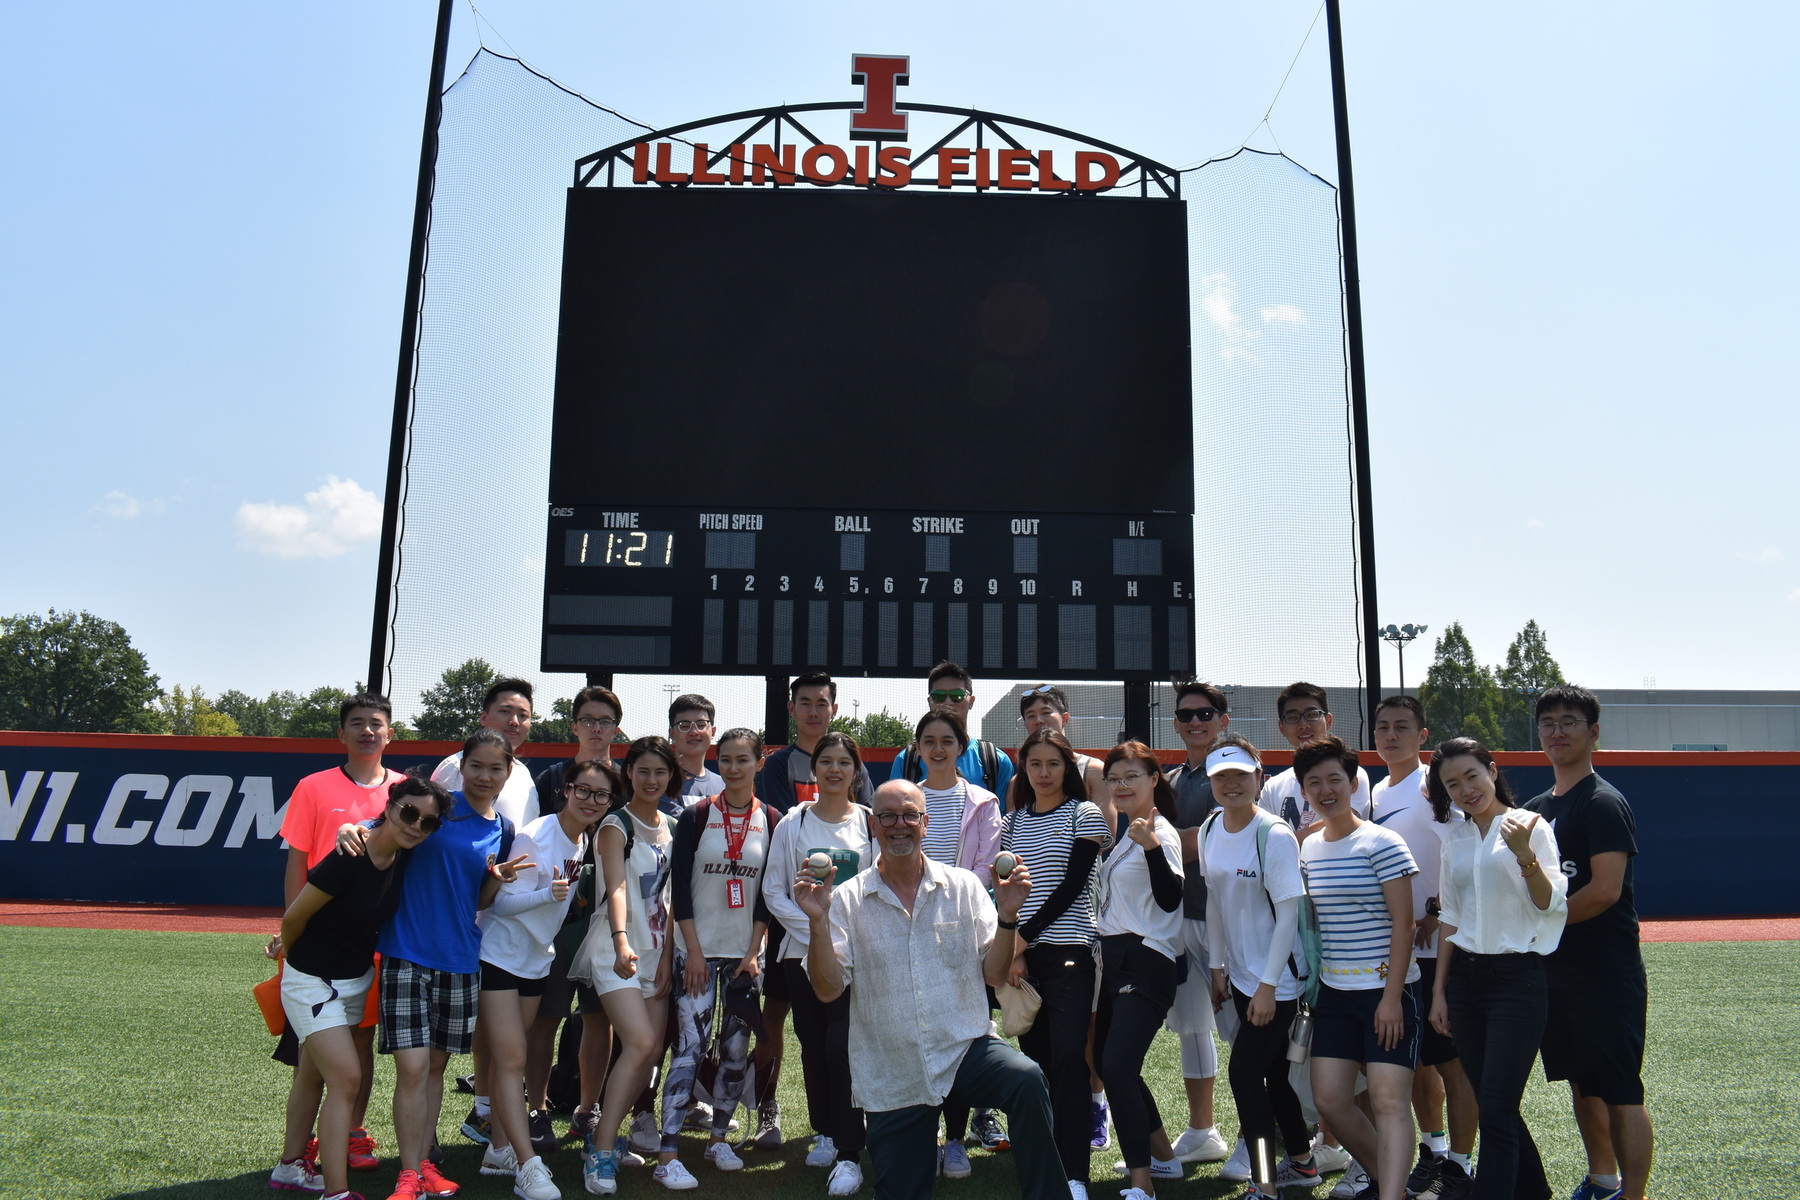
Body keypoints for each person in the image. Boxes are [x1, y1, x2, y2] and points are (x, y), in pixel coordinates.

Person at [793, 779, 1064, 1200]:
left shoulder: (964, 887)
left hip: (964, 1049)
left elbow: (994, 975)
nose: (899, 824)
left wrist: (1009, 916)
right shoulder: (845, 899)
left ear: (926, 822)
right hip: (891, 1070)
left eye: (909, 815)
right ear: (873, 824)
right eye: (888, 815)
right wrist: (816, 921)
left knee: (1026, 1078)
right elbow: (828, 991)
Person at [347, 728, 532, 1200]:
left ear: (508, 773)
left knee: (432, 1069)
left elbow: (480, 899)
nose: (485, 776)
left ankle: (422, 1164)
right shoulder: (436, 807)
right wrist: (352, 828)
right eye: (477, 766)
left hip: (461, 961)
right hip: (406, 951)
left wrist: (497, 880)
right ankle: (408, 1175)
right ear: (461, 765)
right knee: (411, 1069)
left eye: (496, 768)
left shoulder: (503, 830)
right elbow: (378, 829)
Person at [276, 775, 449, 1200]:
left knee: (313, 1075)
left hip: (356, 982)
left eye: (426, 822)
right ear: (389, 807)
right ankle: (336, 1191)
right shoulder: (347, 855)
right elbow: (294, 919)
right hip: (313, 981)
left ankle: (289, 1167)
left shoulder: (407, 855)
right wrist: (295, 968)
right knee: (347, 1079)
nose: (415, 825)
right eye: (409, 813)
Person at [268, 692, 407, 1192]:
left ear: (391, 733)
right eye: (357, 723)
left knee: (345, 1053)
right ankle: (326, 1162)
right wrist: (290, 930)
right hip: (317, 949)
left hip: (372, 947)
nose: (368, 731)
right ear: (341, 734)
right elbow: (297, 863)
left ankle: (339, 1138)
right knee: (328, 1060)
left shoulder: (404, 791)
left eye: (376, 723)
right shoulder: (313, 786)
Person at [1522, 686, 1653, 1200]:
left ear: (1593, 733)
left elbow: (1603, 891)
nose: (1557, 731)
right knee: (1582, 1083)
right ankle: (1602, 1178)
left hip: (1606, 973)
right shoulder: (1534, 810)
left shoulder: (1603, 802)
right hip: (1556, 974)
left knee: (1620, 1090)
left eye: (1569, 722)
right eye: (1548, 722)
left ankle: (1634, 1194)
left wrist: (1540, 927)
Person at [1428, 737, 1569, 1200]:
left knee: (1496, 1106)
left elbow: (1549, 904)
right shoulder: (1457, 838)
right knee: (1496, 1105)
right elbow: (1450, 916)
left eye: (1471, 775)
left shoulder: (1530, 826)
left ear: (1492, 770)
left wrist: (1525, 854)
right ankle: (1536, 1192)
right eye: (1453, 784)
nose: (1465, 789)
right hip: (1466, 983)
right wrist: (1440, 994)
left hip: (1517, 981)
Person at [476, 757, 617, 1199]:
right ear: (567, 790)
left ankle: (498, 1150)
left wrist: (556, 904)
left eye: (601, 794)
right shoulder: (536, 835)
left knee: (507, 1060)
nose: (590, 800)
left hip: (537, 960)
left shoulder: (580, 842)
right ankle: (527, 1165)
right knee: (512, 1059)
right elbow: (499, 906)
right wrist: (547, 894)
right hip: (502, 957)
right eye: (583, 790)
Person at [750, 672, 874, 1151]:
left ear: (856, 772)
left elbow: (876, 885)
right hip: (800, 952)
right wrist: (818, 925)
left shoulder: (869, 824)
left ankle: (860, 1125)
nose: (835, 770)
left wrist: (841, 930)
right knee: (817, 1044)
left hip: (857, 952)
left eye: (845, 762)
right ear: (814, 770)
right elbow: (776, 892)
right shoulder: (794, 822)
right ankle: (826, 1131)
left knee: (852, 1044)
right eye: (827, 762)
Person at [1297, 737, 1420, 1200]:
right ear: (1305, 791)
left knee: (1389, 1101)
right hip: (1333, 993)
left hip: (1387, 991)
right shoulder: (1307, 848)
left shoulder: (1382, 841)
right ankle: (1398, 1187)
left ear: (1352, 784)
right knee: (1330, 1099)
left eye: (1334, 780)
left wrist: (1391, 999)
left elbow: (1403, 924)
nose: (1325, 790)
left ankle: (1390, 1195)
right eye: (1314, 783)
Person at [1365, 696, 1477, 1200]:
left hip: (1442, 951)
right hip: (1400, 954)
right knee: (1416, 1063)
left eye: (1402, 727)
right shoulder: (1374, 790)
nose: (1391, 735)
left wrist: (1434, 911)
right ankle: (1433, 1153)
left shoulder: (1436, 787)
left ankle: (1461, 1163)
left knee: (1453, 1064)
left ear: (1422, 735)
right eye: (1383, 727)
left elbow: (1465, 852)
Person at [1199, 734, 1316, 1200]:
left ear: (1258, 777)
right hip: (1243, 976)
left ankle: (1264, 1183)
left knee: (1245, 1076)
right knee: (1272, 1076)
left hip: (1279, 980)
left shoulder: (1275, 834)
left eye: (1240, 775)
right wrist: (1216, 966)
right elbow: (1213, 901)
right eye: (1220, 776)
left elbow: (1289, 914)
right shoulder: (1210, 828)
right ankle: (1303, 1164)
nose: (1231, 784)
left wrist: (1269, 987)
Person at [662, 728, 781, 1173]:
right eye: (726, 760)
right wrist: (692, 951)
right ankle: (669, 1149)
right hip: (695, 950)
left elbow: (767, 894)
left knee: (735, 1050)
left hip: (744, 955)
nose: (733, 768)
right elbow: (682, 891)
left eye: (742, 760)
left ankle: (717, 1139)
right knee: (689, 1048)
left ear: (758, 763)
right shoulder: (696, 816)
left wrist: (753, 953)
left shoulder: (771, 818)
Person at [1001, 728, 1110, 1199]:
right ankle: (1048, 1162)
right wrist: (1013, 951)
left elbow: (1071, 887)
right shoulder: (1012, 823)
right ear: (1024, 770)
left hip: (1070, 950)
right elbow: (1005, 894)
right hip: (1023, 958)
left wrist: (1021, 939)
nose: (1043, 773)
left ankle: (1075, 1175)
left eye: (1053, 764)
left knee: (1069, 1059)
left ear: (1068, 768)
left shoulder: (1084, 813)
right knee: (1038, 1063)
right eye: (1034, 764)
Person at [571, 737, 679, 1195]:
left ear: (670, 776)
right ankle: (599, 1149)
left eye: (660, 772)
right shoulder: (616, 824)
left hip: (656, 952)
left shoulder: (675, 825)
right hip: (615, 949)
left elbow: (674, 899)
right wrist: (619, 941)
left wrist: (670, 955)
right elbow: (615, 888)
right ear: (628, 773)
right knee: (638, 1042)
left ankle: (605, 1139)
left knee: (651, 1049)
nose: (651, 780)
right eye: (642, 771)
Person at [905, 709, 1006, 1172]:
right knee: (919, 1032)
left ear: (960, 748)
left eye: (947, 740)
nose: (938, 748)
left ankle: (957, 1139)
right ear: (918, 749)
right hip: (909, 929)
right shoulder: (908, 801)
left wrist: (945, 900)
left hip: (963, 930)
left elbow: (986, 867)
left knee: (965, 1033)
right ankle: (921, 1133)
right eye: (929, 740)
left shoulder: (984, 802)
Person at [533, 686, 625, 1152]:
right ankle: (537, 1109)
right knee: (545, 1018)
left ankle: (587, 1111)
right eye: (587, 719)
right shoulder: (550, 777)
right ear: (574, 725)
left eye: (605, 721)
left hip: (607, 920)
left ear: (616, 728)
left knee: (598, 1018)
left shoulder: (627, 780)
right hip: (554, 922)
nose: (596, 728)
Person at [1094, 742, 1187, 1199]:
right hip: (1115, 961)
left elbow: (1171, 899)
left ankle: (1142, 1185)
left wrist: (1150, 847)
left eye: (1132, 776)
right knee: (1115, 1066)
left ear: (1154, 779)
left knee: (1115, 1065)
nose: (1122, 785)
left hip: (1146, 960)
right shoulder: (1126, 833)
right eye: (1114, 778)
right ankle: (1165, 1160)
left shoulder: (1159, 832)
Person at [1158, 683, 1231, 1170]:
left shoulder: (1236, 769)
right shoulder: (1172, 778)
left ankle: (1258, 1142)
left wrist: (1156, 840)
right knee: (1192, 1029)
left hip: (1232, 923)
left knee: (1246, 1035)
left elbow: (1207, 839)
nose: (1195, 721)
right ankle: (1202, 1131)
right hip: (1180, 919)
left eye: (1205, 713)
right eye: (1186, 715)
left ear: (1222, 719)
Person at [889, 660, 1017, 799]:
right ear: (930, 701)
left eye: (957, 696)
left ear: (971, 701)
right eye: (939, 696)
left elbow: (1001, 817)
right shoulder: (906, 760)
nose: (948, 702)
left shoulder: (996, 761)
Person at [1259, 683, 1371, 840]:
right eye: (1293, 717)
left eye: (1311, 715)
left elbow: (1341, 824)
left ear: (1328, 720)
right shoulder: (1272, 787)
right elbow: (1265, 838)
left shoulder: (1351, 774)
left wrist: (1286, 845)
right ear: (1281, 727)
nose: (1303, 725)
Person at [433, 677, 541, 827]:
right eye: (505, 711)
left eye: (523, 715)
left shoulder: (523, 773)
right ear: (483, 717)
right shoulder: (454, 766)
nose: (514, 721)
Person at [669, 694, 725, 802]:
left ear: (713, 731)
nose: (694, 732)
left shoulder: (725, 786)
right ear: (672, 733)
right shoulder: (662, 782)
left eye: (701, 725)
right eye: (684, 725)